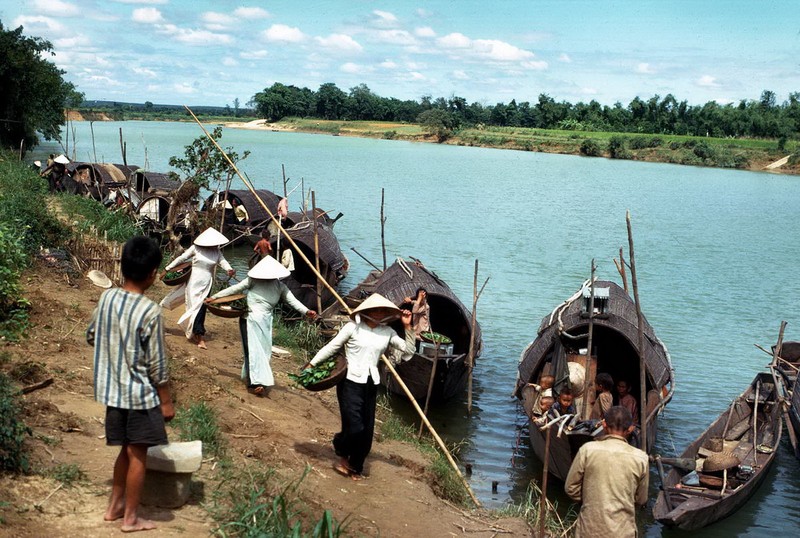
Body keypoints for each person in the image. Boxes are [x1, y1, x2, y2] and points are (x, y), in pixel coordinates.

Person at [86, 236, 175, 533]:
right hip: (139, 397)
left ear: (122, 267)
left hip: (112, 392)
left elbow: (92, 335)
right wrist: (165, 400)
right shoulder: (150, 312)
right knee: (138, 455)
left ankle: (114, 507)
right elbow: (157, 364)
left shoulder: (107, 298)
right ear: (152, 274)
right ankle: (131, 518)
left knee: (125, 450)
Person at [306, 293, 415, 480]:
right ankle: (341, 448)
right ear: (366, 311)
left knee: (367, 430)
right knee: (354, 426)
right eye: (376, 310)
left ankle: (356, 466)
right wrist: (312, 364)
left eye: (383, 311)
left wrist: (407, 326)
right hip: (350, 381)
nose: (379, 314)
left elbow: (409, 350)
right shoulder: (352, 328)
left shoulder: (388, 332)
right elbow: (332, 347)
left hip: (371, 382)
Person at [207, 256, 317, 396]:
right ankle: (254, 383)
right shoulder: (252, 281)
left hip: (265, 321)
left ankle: (259, 379)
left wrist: (307, 311)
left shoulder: (280, 286)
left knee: (264, 352)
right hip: (249, 318)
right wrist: (215, 297)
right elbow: (234, 289)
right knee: (252, 351)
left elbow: (293, 301)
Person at [564, 406, 648, 538]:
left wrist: (591, 499)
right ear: (631, 429)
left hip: (589, 529)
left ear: (603, 425)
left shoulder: (587, 450)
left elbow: (570, 488)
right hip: (623, 531)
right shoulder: (641, 458)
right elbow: (641, 499)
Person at [161, 227, 235, 349]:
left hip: (206, 283)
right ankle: (195, 332)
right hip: (193, 281)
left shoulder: (216, 252)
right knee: (193, 307)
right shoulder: (196, 248)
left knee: (201, 308)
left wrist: (229, 270)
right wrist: (167, 269)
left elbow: (224, 262)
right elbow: (182, 258)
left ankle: (199, 335)